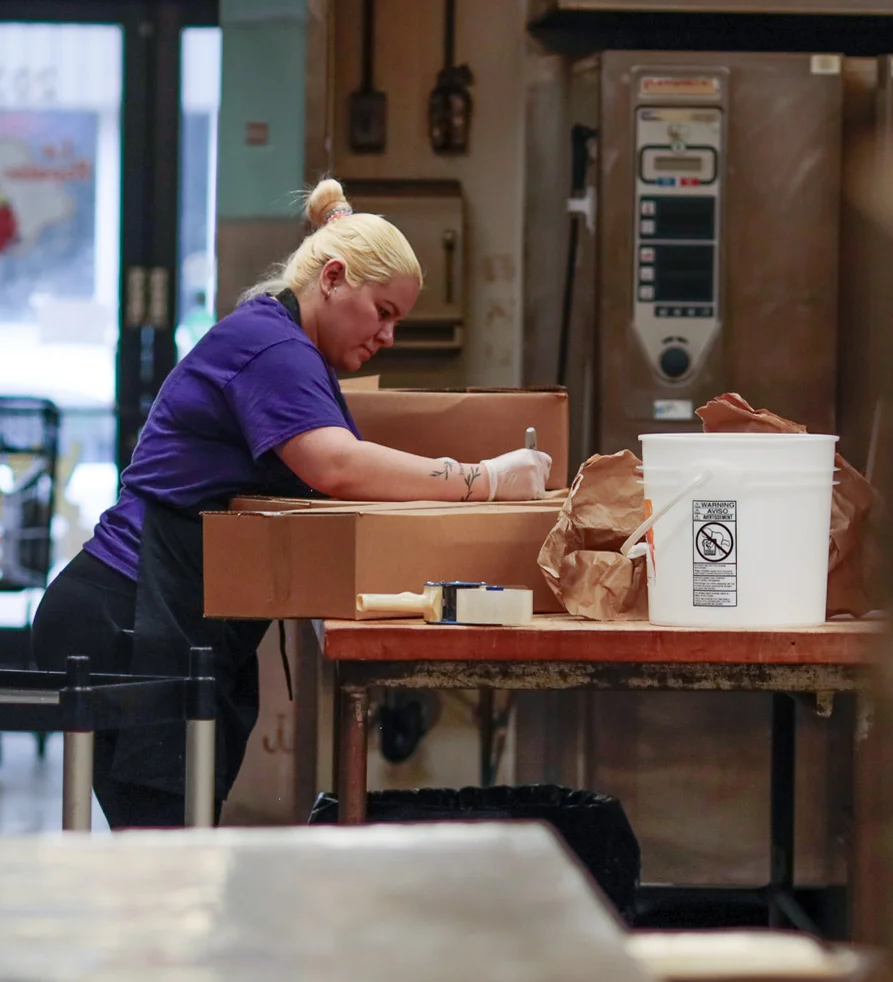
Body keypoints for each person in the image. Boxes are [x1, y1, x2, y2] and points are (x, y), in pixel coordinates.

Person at [32, 179, 553, 828]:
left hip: (164, 613)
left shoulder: (292, 352)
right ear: (333, 278)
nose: (388, 336)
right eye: (383, 311)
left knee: (173, 854)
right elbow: (336, 467)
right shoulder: (271, 346)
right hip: (127, 615)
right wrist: (484, 479)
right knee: (162, 863)